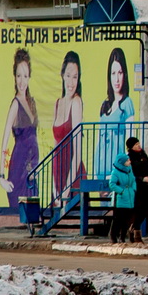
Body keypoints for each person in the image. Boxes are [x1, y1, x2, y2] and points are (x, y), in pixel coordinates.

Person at [0, 49, 38, 208]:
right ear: (14, 76)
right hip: (19, 169)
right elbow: (5, 138)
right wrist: (1, 176)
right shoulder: (15, 104)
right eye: (19, 76)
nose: (22, 81)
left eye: (25, 76)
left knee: (33, 214)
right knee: (20, 215)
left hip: (32, 171)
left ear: (30, 77)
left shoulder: (31, 102)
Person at [51, 51, 85, 202]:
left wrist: (67, 188)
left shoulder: (76, 103)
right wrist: (54, 186)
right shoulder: (57, 103)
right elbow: (54, 147)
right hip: (58, 172)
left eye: (75, 77)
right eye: (69, 75)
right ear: (63, 75)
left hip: (73, 174)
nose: (71, 82)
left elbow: (78, 151)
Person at [97, 48, 135, 176]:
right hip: (101, 165)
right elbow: (99, 139)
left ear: (125, 74)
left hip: (117, 167)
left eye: (120, 72)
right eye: (113, 73)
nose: (117, 79)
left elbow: (131, 138)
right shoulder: (105, 105)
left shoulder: (127, 103)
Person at [127, 137, 148, 236]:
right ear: (131, 147)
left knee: (145, 209)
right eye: (136, 144)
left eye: (139, 143)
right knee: (139, 208)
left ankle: (134, 228)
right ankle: (135, 233)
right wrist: (141, 179)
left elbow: (147, 169)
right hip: (137, 187)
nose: (138, 145)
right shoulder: (130, 158)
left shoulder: (143, 155)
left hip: (146, 186)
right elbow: (131, 174)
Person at [107, 153, 136, 244]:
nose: (129, 162)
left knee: (127, 219)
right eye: (127, 160)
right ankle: (113, 236)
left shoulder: (129, 170)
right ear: (122, 162)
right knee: (118, 219)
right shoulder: (115, 172)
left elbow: (133, 180)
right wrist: (122, 191)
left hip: (130, 197)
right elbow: (112, 184)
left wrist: (134, 189)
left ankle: (122, 237)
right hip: (120, 199)